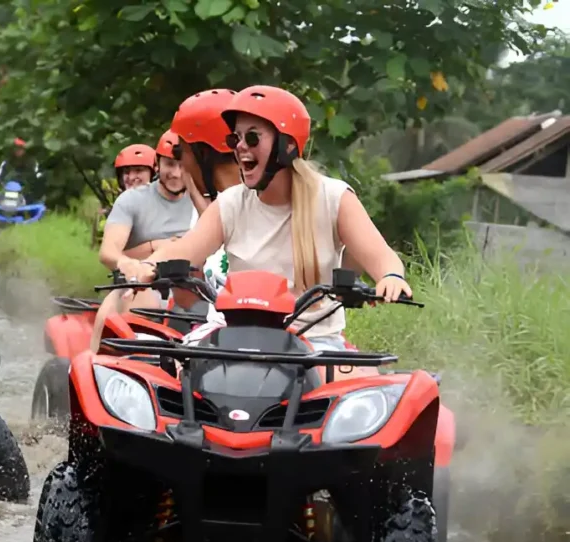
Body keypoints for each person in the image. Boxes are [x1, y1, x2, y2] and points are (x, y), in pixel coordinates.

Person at [118, 85, 411, 377]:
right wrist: (148, 266)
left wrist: (391, 277)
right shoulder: (231, 203)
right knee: (166, 384)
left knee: (369, 398)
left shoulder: (334, 198)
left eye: (252, 137)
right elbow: (184, 251)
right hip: (230, 337)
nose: (240, 147)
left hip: (315, 343)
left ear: (287, 145)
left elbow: (381, 255)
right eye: (235, 138)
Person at [87, 129, 193, 352]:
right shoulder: (131, 200)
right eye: (169, 165)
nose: (175, 173)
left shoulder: (205, 200)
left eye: (182, 165)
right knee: (139, 301)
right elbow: (108, 251)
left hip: (193, 288)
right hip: (137, 285)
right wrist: (128, 263)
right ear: (157, 165)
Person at [167, 88, 241, 286]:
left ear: (203, 153)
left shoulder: (266, 203)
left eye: (180, 152)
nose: (181, 164)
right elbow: (186, 300)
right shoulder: (209, 209)